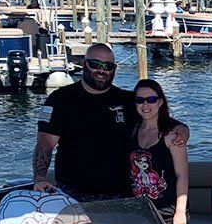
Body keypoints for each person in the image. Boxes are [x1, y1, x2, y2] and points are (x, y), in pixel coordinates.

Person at [33, 42, 186, 199]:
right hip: (72, 193)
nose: (101, 70)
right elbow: (45, 144)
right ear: (83, 64)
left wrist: (182, 129)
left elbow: (159, 118)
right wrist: (39, 178)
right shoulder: (60, 100)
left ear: (114, 69)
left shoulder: (127, 100)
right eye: (95, 64)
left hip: (120, 195)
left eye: (108, 66)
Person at [128, 77, 189, 224]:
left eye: (151, 99)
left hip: (167, 212)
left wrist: (180, 212)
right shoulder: (133, 129)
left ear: (160, 102)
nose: (145, 105)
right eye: (140, 100)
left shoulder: (172, 134)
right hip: (139, 211)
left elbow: (182, 175)